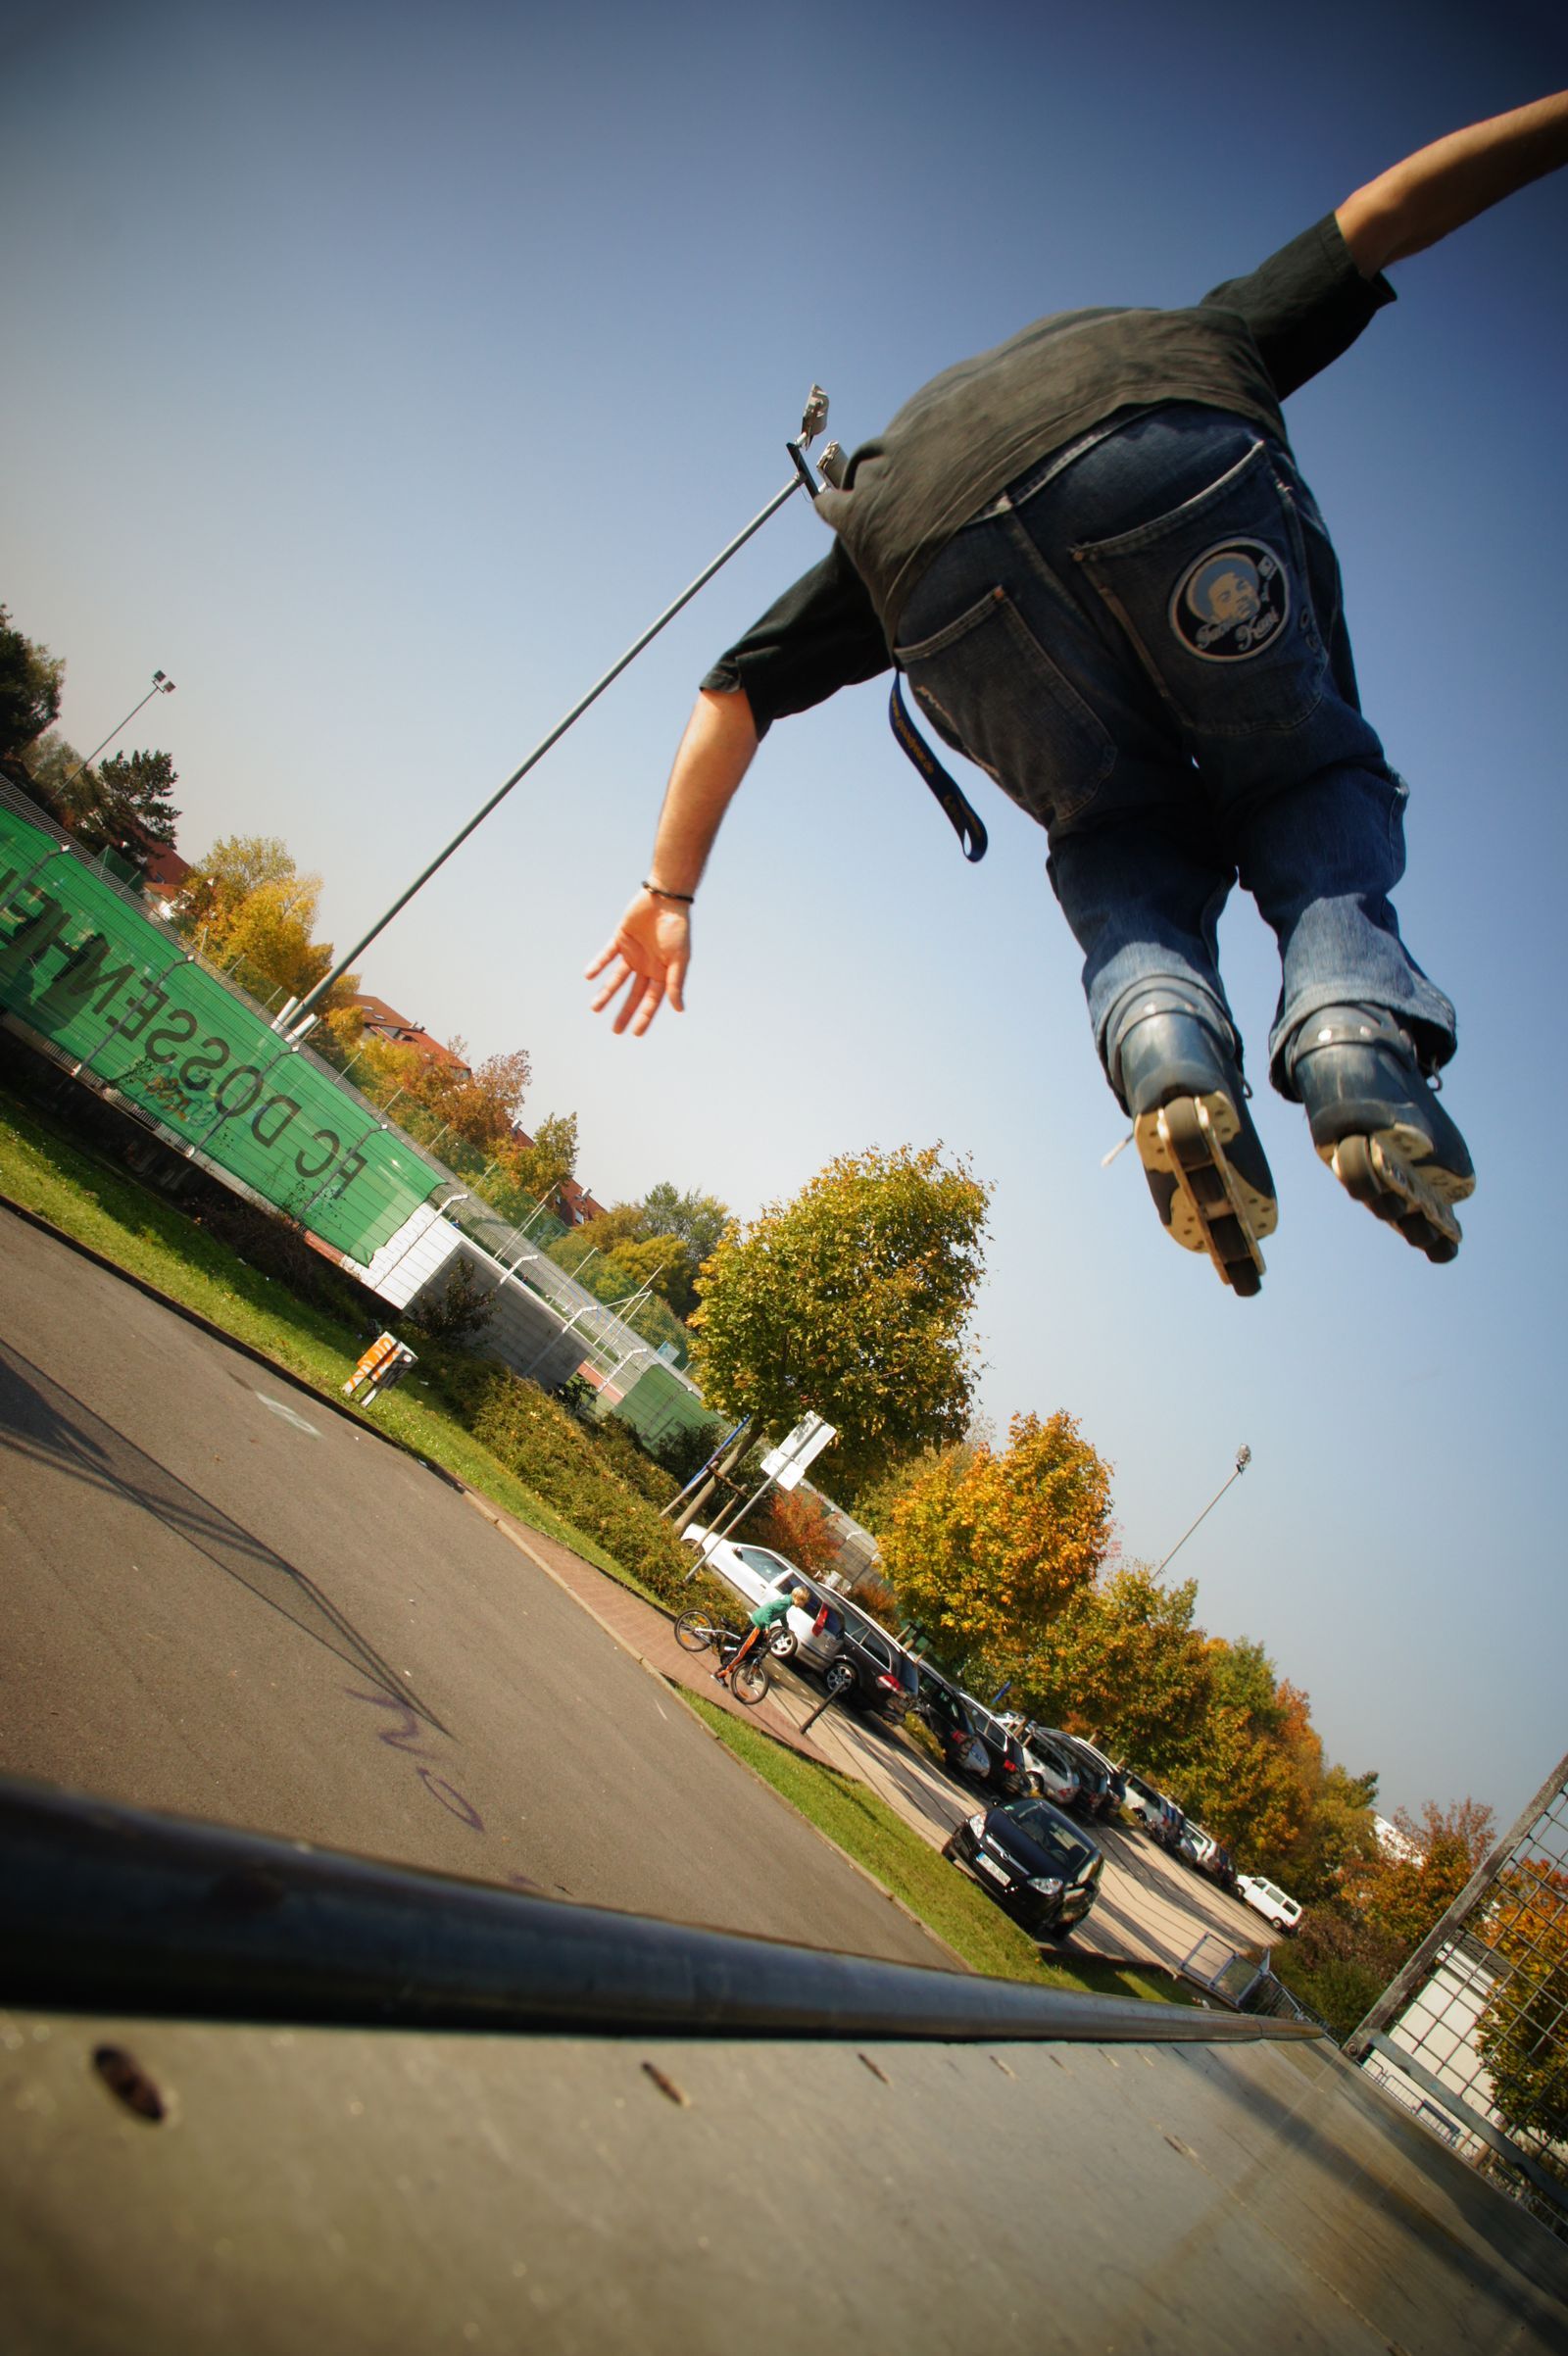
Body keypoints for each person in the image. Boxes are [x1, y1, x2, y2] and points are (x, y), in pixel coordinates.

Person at [588, 95, 1568, 1296]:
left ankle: (1163, 1031)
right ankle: (1350, 1030)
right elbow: (1383, 212)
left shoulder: (885, 498)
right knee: (1299, 769)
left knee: (1117, 831)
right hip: (1164, 434)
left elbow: (733, 690)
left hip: (928, 551)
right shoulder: (1199, 330)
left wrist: (668, 892)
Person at [714, 1585, 810, 1688]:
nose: (803, 1605)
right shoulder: (785, 1602)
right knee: (742, 1651)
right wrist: (767, 1626)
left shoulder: (787, 1601)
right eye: (803, 1602)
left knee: (757, 1651)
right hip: (757, 1625)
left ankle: (741, 1667)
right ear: (798, 1598)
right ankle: (720, 1673)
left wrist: (785, 1626)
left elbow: (781, 1614)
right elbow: (769, 1610)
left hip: (760, 1625)